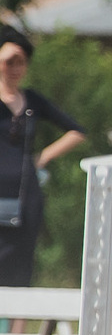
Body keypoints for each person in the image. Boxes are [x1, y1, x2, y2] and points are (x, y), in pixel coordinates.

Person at [0, 26, 86, 314]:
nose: (15, 68)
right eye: (9, 61)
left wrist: (43, 157)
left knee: (22, 264)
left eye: (21, 62)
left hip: (25, 196)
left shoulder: (32, 101)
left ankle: (19, 330)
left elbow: (76, 130)